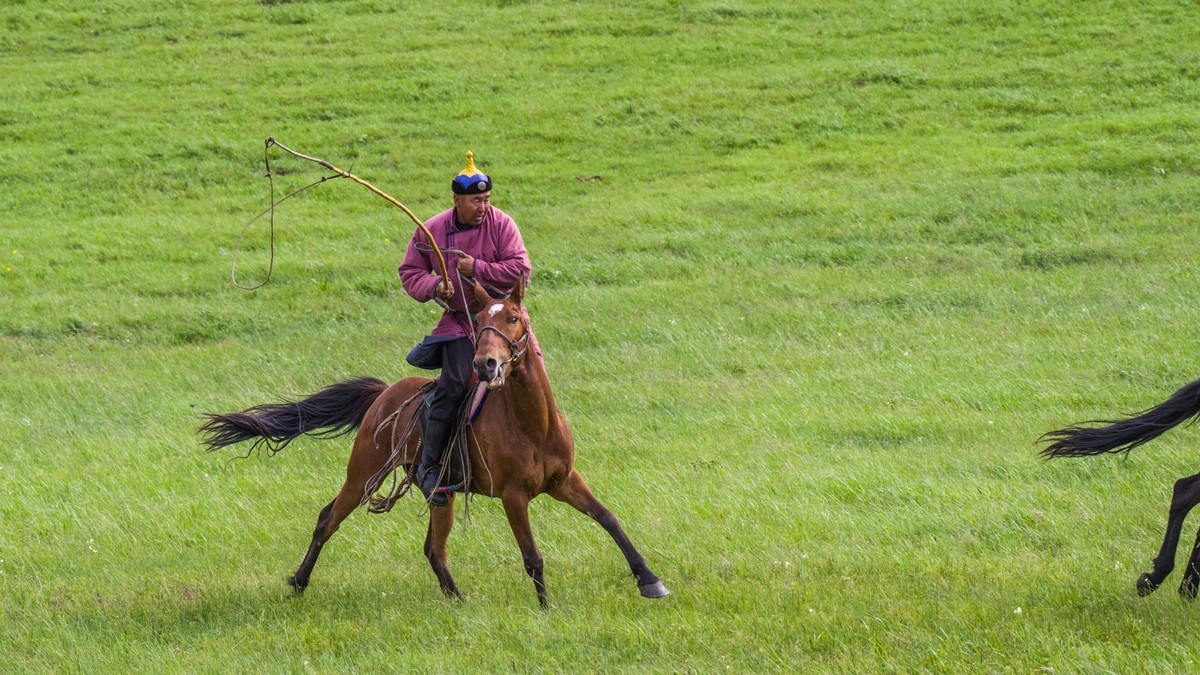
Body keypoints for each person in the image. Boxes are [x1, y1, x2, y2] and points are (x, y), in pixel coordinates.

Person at [399, 151, 538, 506]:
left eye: (486, 200)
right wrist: (434, 287)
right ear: (457, 200)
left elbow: (520, 270)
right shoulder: (431, 229)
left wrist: (477, 268)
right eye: (475, 201)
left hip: (500, 320)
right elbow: (409, 272)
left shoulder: (502, 224)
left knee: (535, 377)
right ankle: (431, 468)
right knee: (454, 385)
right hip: (461, 324)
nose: (483, 207)